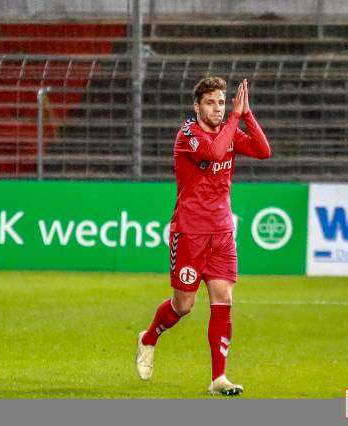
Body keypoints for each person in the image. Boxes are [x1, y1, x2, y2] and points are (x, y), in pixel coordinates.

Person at [136, 76, 271, 396]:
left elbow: (263, 151)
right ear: (197, 106)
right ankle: (148, 337)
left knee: (223, 300)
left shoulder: (229, 130)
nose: (218, 108)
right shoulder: (188, 134)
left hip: (221, 232)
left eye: (222, 102)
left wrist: (247, 114)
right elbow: (214, 152)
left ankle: (218, 378)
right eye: (211, 103)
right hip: (190, 232)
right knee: (183, 305)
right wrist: (235, 118)